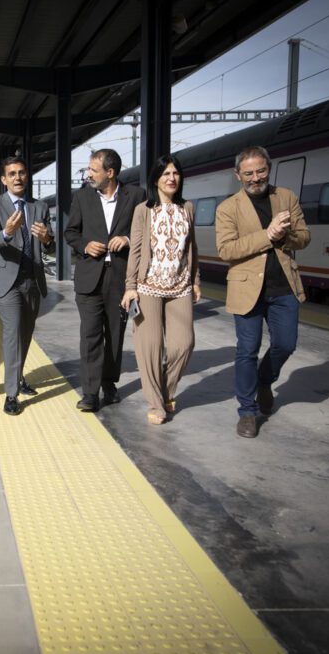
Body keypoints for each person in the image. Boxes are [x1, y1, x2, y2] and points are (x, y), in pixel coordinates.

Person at [215, 145, 311, 438]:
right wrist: (267, 235)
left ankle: (264, 381)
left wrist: (287, 236)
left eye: (261, 171)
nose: (255, 178)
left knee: (286, 344)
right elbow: (226, 249)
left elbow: (305, 237)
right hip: (247, 290)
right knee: (247, 350)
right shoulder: (227, 208)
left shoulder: (286, 197)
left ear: (269, 169)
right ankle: (247, 411)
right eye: (248, 173)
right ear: (238, 174)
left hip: (284, 287)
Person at [120, 156, 201, 425]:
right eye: (166, 173)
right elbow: (136, 251)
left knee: (184, 343)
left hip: (180, 286)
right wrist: (130, 287)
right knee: (150, 346)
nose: (171, 178)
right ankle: (156, 402)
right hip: (148, 287)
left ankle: (166, 389)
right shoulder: (144, 209)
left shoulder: (187, 207)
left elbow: (192, 247)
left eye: (176, 173)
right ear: (156, 179)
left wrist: (195, 280)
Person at [64, 149, 145, 412]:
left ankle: (109, 383)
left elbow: (146, 230)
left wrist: (128, 240)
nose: (88, 174)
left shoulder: (136, 196)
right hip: (90, 278)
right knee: (90, 335)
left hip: (120, 278)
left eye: (93, 170)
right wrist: (86, 246)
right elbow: (70, 232)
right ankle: (90, 393)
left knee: (115, 333)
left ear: (110, 173)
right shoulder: (82, 197)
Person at [0, 156, 55, 415]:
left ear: (27, 176)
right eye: (12, 173)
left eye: (22, 172)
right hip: (6, 282)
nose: (17, 177)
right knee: (13, 333)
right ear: (4, 180)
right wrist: (8, 232)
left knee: (26, 333)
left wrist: (47, 239)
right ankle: (11, 394)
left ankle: (20, 377)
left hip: (32, 279)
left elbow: (51, 246)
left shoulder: (40, 207)